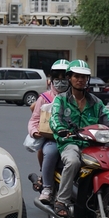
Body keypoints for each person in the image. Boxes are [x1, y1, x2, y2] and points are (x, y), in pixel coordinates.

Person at [49, 60, 109, 217]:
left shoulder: (95, 102)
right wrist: (61, 129)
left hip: (93, 144)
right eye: (77, 76)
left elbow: (107, 119)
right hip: (70, 142)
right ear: (69, 78)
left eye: (84, 77)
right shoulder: (61, 100)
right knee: (73, 161)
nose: (81, 80)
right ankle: (62, 200)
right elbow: (54, 118)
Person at [27, 59, 69, 204]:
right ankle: (47, 187)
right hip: (53, 139)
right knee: (50, 152)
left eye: (65, 78)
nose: (61, 82)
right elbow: (34, 120)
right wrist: (34, 131)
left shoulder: (77, 97)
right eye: (57, 78)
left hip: (76, 138)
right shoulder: (44, 98)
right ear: (51, 79)